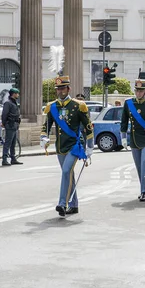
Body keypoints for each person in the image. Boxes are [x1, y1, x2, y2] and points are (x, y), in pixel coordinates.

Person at [40, 76, 94, 217]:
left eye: (63, 88)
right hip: (60, 146)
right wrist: (44, 137)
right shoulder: (52, 107)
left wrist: (90, 147)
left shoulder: (78, 105)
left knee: (65, 172)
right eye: (58, 88)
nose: (60, 91)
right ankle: (74, 205)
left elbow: (88, 127)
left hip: (74, 145)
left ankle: (62, 203)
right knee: (69, 174)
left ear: (68, 89)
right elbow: (46, 125)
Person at [1, 87, 23, 166]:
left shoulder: (14, 102)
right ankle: (4, 159)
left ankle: (13, 158)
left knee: (13, 143)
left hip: (15, 125)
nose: (18, 95)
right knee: (8, 142)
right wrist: (3, 123)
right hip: (10, 124)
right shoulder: (8, 103)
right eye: (17, 93)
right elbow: (4, 114)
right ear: (14, 94)